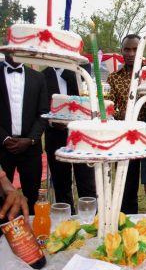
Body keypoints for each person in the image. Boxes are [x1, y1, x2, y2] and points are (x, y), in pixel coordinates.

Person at [42, 67, 96, 213]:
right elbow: (40, 108)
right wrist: (52, 122)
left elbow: (86, 98)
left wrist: (68, 71)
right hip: (55, 136)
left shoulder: (80, 69)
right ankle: (68, 221)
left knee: (87, 184)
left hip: (81, 136)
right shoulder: (43, 76)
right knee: (61, 185)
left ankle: (90, 220)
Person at [0, 55, 49, 214]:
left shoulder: (38, 77)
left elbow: (43, 113)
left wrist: (31, 139)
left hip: (30, 148)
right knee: (2, 196)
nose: (15, 51)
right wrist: (4, 138)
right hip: (2, 148)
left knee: (32, 196)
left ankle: (32, 234)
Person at [107, 34, 146, 214]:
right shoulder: (114, 78)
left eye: (135, 49)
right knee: (126, 184)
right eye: (127, 49)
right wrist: (120, 114)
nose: (131, 53)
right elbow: (108, 108)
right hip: (124, 138)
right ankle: (127, 220)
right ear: (121, 51)